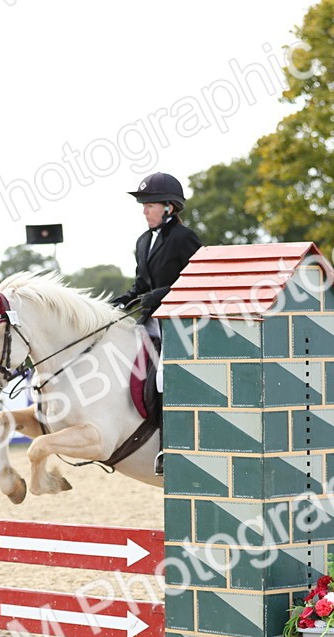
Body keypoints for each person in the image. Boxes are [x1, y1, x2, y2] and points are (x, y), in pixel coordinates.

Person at [110, 172, 203, 474]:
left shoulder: (184, 238)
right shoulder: (142, 242)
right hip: (149, 320)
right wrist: (124, 299)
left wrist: (160, 295)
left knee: (163, 378)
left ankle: (168, 446)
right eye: (144, 204)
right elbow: (141, 285)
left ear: (169, 207)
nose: (144, 210)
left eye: (149, 204)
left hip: (180, 324)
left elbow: (196, 280)